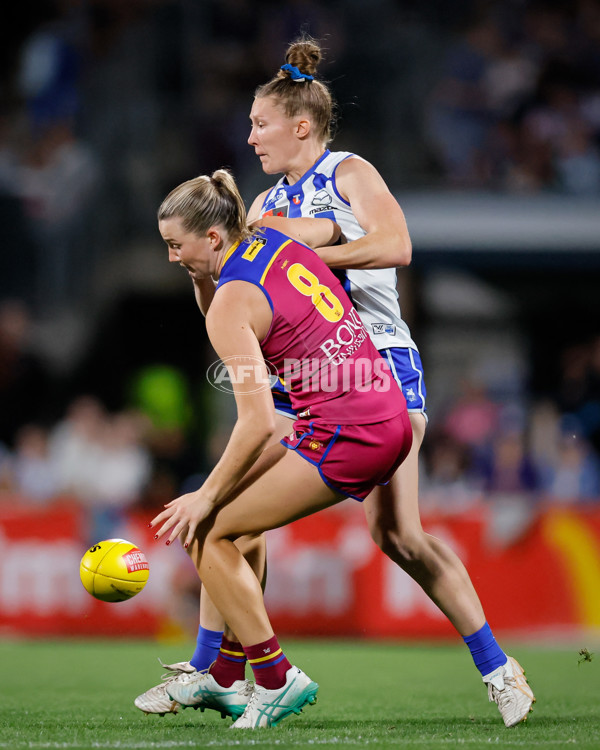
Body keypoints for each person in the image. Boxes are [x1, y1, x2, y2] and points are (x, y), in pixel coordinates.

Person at [136, 37, 535, 729]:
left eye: (260, 123)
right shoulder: (263, 202)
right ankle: (214, 669)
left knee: (398, 535)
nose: (250, 135)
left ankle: (499, 668)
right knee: (225, 494)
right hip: (304, 370)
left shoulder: (349, 171)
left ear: (301, 125)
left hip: (372, 362)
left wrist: (310, 249)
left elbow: (397, 245)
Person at [150, 167, 413, 728]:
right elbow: (326, 232)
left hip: (347, 433)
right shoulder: (270, 236)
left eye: (177, 246)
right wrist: (203, 277)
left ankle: (274, 678)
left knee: (207, 527)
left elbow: (259, 423)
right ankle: (223, 677)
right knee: (238, 528)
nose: (172, 257)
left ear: (214, 238)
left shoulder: (231, 302)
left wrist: (202, 495)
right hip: (385, 411)